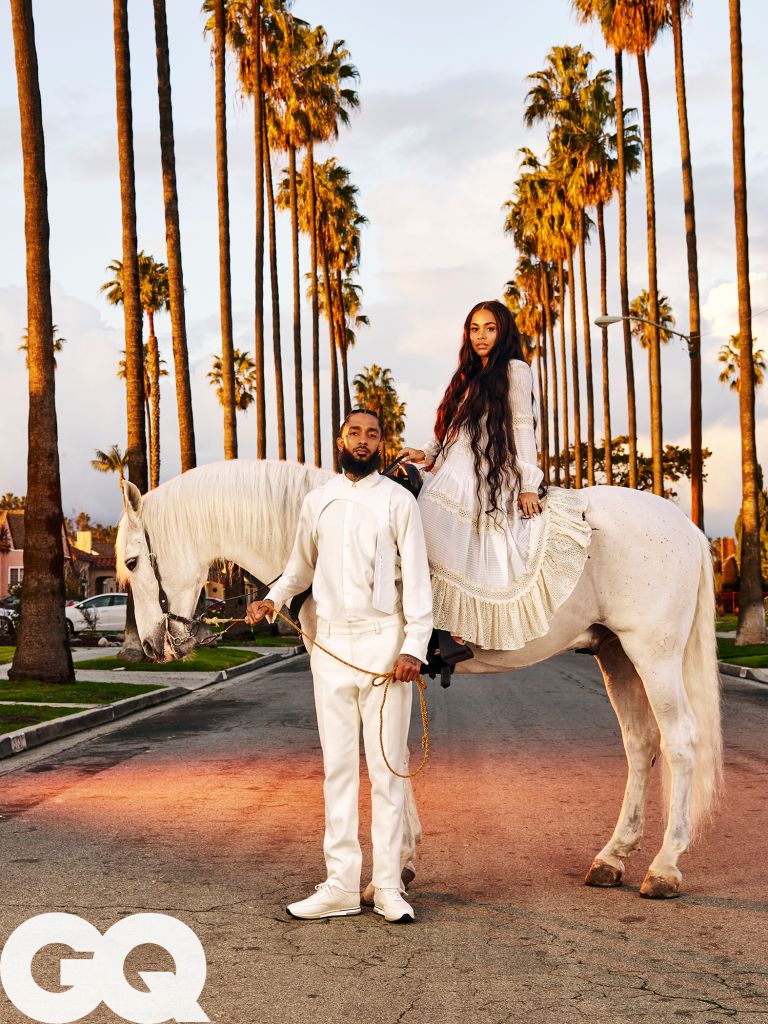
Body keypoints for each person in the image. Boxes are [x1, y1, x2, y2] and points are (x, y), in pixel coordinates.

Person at [246, 409, 433, 924]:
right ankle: (340, 886)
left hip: (384, 648)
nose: (364, 440)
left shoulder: (398, 501)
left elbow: (416, 577)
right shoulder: (318, 500)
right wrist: (272, 599)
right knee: (338, 770)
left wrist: (414, 645)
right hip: (329, 648)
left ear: (382, 444)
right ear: (340, 440)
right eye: (356, 432)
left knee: (389, 770)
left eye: (373, 434)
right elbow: (299, 565)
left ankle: (391, 886)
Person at [400, 300, 591, 653]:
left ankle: (452, 628)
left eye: (489, 328)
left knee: (426, 523)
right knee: (411, 526)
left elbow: (522, 429)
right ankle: (433, 625)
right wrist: (425, 453)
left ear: (503, 332)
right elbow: (452, 429)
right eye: (474, 329)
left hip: (481, 474)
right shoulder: (468, 374)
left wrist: (528, 484)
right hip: (451, 468)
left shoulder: (515, 369)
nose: (481, 336)